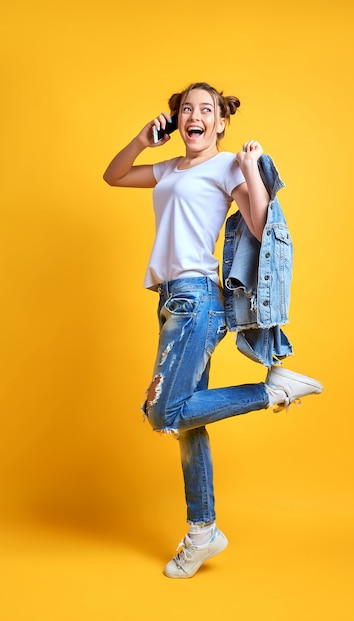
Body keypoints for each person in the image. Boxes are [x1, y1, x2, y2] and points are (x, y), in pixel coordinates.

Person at [103, 82, 323, 579]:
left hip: (197, 298)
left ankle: (271, 391)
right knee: (188, 423)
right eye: (186, 109)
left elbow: (264, 223)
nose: (194, 115)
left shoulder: (225, 166)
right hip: (171, 298)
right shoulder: (168, 169)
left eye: (207, 109)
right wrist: (141, 139)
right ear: (177, 121)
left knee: (164, 411)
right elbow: (113, 175)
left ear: (221, 123)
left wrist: (248, 169)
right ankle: (203, 532)